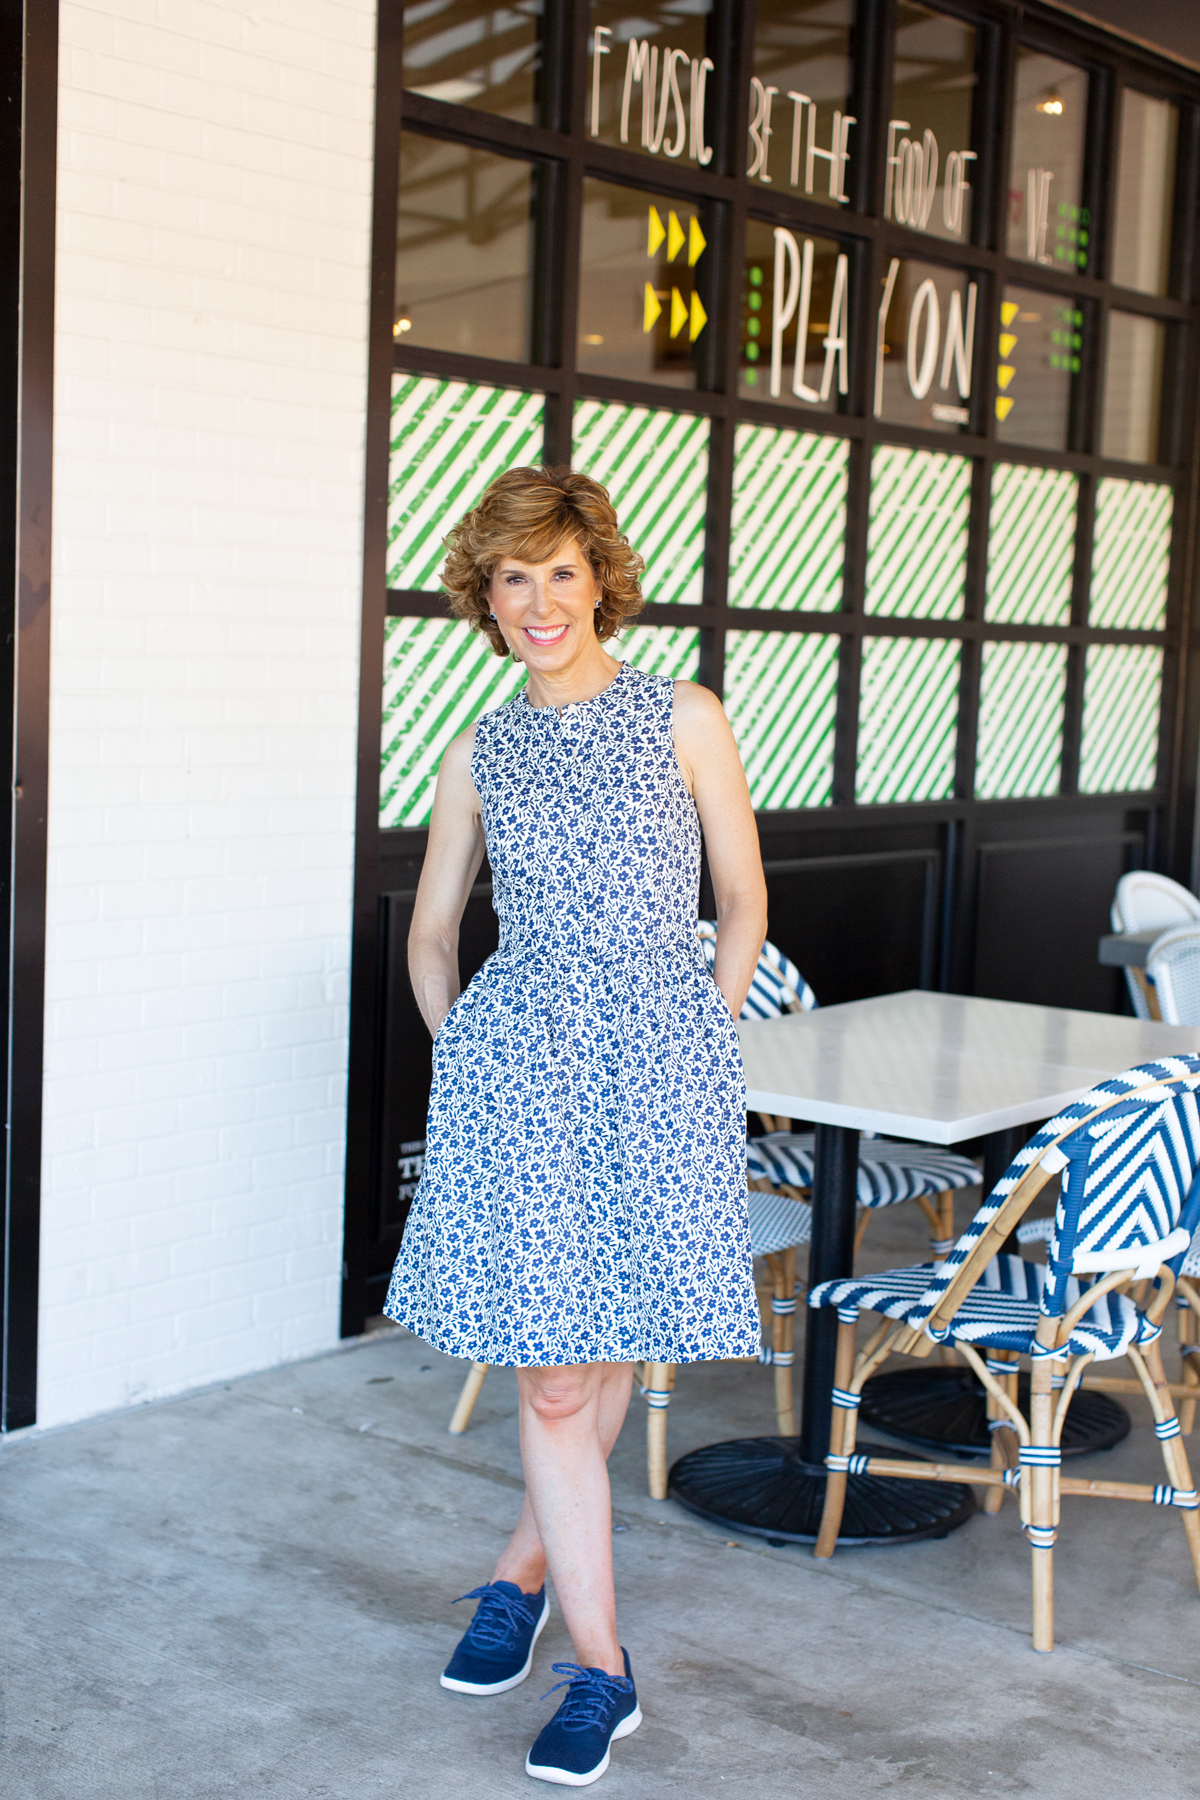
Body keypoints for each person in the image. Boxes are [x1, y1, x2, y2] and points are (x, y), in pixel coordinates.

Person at [384, 465, 767, 1787]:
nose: (539, 601)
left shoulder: (685, 718)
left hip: (657, 1069)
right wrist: (469, 1053)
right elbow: (434, 931)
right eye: (511, 578)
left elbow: (744, 904)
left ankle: (520, 1572)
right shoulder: (480, 749)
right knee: (555, 1370)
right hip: (524, 1076)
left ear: (599, 574)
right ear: (484, 601)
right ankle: (603, 1671)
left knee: (606, 1352)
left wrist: (693, 1045)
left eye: (559, 571)